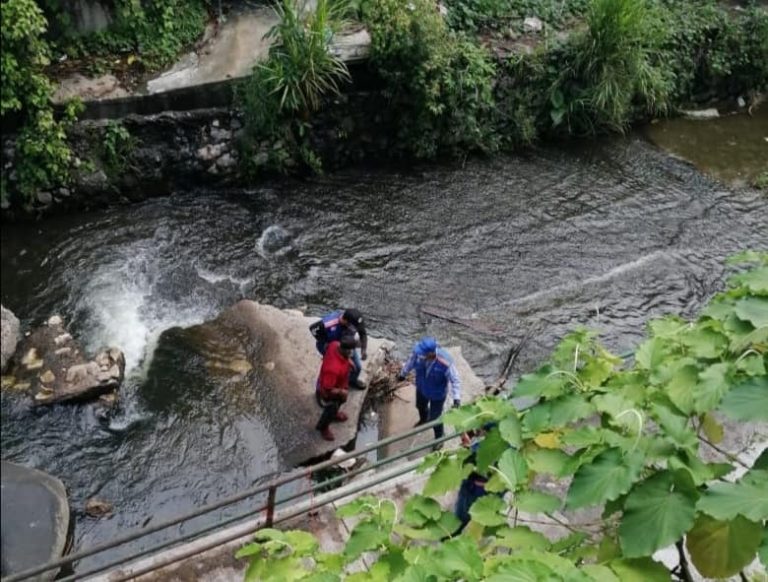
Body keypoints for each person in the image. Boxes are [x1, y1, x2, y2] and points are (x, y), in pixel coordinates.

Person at [397, 336, 461, 442]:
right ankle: (423, 420)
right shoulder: (418, 354)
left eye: (422, 354)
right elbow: (411, 362)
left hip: (437, 394)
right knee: (420, 406)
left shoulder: (445, 362)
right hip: (422, 388)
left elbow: (455, 380)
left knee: (435, 418)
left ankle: (439, 437)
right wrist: (403, 373)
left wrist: (456, 398)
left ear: (431, 354)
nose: (419, 355)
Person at [309, 308, 368, 390]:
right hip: (329, 346)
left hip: (346, 343)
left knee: (357, 367)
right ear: (346, 322)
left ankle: (352, 381)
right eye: (354, 327)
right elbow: (312, 329)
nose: (356, 328)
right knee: (330, 369)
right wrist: (325, 342)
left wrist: (363, 350)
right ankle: (321, 389)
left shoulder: (355, 322)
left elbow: (363, 333)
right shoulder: (329, 323)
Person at [315, 337, 357, 441]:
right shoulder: (333, 369)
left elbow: (331, 349)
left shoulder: (335, 344)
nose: (352, 353)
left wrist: (348, 361)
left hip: (340, 383)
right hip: (329, 393)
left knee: (339, 403)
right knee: (331, 408)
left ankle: (335, 414)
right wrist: (342, 392)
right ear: (345, 350)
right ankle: (323, 427)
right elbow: (327, 389)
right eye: (350, 351)